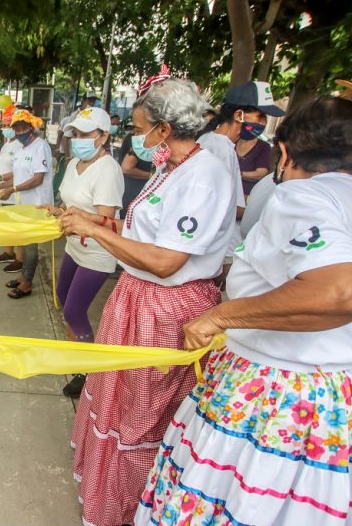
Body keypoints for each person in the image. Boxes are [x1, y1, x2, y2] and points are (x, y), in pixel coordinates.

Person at [136, 96, 352, 526]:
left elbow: (347, 292)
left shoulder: (302, 197)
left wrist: (220, 316)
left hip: (283, 394)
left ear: (285, 152)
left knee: (241, 500)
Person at [61, 75, 236, 526]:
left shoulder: (205, 174)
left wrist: (97, 231)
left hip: (166, 308)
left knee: (143, 412)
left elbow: (165, 261)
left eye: (139, 128)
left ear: (163, 128)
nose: (134, 137)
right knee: (116, 396)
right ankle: (103, 495)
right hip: (136, 298)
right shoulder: (170, 167)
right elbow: (145, 238)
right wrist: (90, 221)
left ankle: (130, 506)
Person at [44, 107, 124, 399]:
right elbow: (72, 206)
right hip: (74, 246)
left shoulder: (108, 170)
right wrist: (58, 212)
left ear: (103, 136)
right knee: (64, 301)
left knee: (73, 310)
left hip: (97, 253)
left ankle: (87, 370)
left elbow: (109, 221)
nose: (78, 139)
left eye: (85, 134)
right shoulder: (73, 161)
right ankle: (78, 353)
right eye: (75, 133)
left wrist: (78, 221)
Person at [198, 81, 285, 276]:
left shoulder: (217, 143)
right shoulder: (219, 148)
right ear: (239, 115)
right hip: (213, 251)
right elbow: (225, 209)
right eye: (260, 116)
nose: (262, 122)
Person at [0, 109, 53, 298]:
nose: (20, 132)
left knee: (31, 246)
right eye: (17, 128)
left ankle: (27, 283)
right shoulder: (20, 149)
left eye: (24, 128)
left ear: (32, 128)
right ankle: (23, 275)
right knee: (24, 240)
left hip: (37, 205)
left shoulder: (41, 146)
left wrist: (13, 189)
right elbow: (16, 175)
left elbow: (38, 178)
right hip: (22, 204)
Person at [0, 105, 25, 273]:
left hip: (14, 191)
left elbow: (18, 172)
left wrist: (0, 179)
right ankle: (9, 252)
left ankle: (20, 259)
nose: (4, 128)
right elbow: (4, 168)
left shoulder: (20, 146)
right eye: (2, 125)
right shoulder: (7, 144)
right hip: (4, 190)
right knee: (7, 224)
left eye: (7, 125)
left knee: (17, 226)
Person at [117, 129, 154, 219]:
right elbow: (126, 168)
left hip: (128, 189)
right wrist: (151, 175)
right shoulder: (142, 142)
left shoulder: (135, 138)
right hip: (133, 190)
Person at [56, 93, 98, 160]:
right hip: (75, 156)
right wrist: (67, 157)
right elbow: (65, 137)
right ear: (83, 102)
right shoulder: (75, 116)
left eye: (94, 101)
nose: (92, 103)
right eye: (89, 101)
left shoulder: (93, 116)